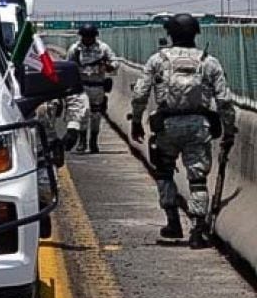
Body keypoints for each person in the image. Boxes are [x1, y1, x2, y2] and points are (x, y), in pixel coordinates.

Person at [130, 13, 238, 246]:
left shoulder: (158, 60)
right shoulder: (209, 61)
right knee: (197, 178)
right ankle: (198, 230)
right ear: (196, 33)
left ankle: (172, 222)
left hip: (167, 126)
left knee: (164, 171)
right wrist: (229, 129)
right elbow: (225, 101)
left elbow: (140, 94)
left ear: (170, 33)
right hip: (199, 127)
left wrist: (136, 121)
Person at [64, 24, 118, 153]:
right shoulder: (75, 49)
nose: (88, 39)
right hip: (81, 86)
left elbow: (115, 62)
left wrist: (108, 66)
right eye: (85, 37)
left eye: (90, 37)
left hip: (97, 86)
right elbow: (67, 66)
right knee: (83, 114)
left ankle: (93, 141)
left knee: (95, 115)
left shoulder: (103, 48)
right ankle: (82, 141)